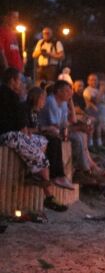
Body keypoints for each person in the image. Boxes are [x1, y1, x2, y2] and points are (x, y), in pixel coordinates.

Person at [0, 69, 66, 210]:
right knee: (42, 158)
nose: (21, 84)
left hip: (11, 134)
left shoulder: (9, 95)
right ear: (12, 81)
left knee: (43, 141)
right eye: (19, 80)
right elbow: (21, 127)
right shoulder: (13, 97)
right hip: (9, 135)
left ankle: (32, 171)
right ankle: (49, 196)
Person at [39, 80, 101, 183]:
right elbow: (56, 126)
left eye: (70, 91)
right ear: (59, 91)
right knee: (77, 138)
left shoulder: (63, 102)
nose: (70, 93)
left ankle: (82, 169)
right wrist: (79, 128)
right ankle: (82, 171)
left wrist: (71, 103)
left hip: (57, 131)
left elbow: (71, 121)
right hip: (47, 132)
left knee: (81, 135)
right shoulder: (51, 102)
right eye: (67, 91)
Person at [25, 87, 74, 190]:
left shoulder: (36, 112)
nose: (44, 102)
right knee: (53, 140)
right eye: (43, 99)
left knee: (55, 138)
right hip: (26, 139)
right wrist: (46, 128)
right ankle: (55, 175)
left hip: (36, 136)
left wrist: (47, 130)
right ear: (35, 98)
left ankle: (59, 175)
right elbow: (25, 130)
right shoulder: (26, 110)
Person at [84, 74, 105, 149]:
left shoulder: (97, 90)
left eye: (95, 80)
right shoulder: (88, 91)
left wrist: (101, 93)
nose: (94, 81)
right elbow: (95, 101)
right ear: (88, 81)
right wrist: (101, 92)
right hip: (98, 116)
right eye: (92, 80)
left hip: (104, 117)